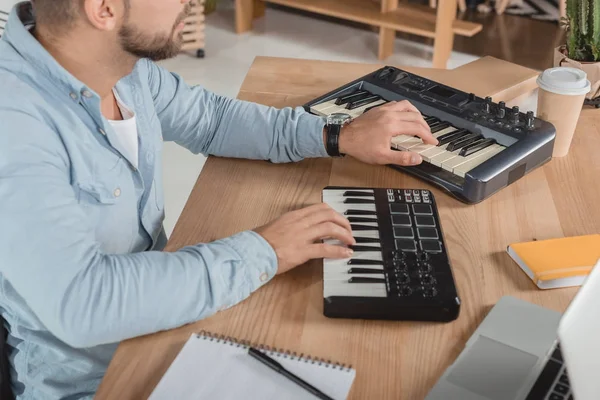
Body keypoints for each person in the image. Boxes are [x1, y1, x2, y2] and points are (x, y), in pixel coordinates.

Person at [0, 0, 437, 399]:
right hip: (95, 383)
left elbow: (211, 120)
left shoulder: (118, 66)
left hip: (165, 323)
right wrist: (264, 250)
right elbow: (85, 303)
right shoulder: (15, 125)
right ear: (104, 9)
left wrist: (336, 135)